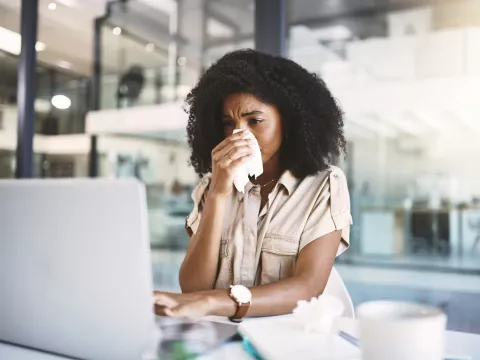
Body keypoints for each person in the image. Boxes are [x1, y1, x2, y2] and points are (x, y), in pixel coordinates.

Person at [154, 49, 352, 321]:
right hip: (223, 336)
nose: (239, 134)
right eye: (228, 123)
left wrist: (216, 302)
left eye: (254, 121)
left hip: (289, 341)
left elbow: (308, 287)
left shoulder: (324, 186)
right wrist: (218, 195)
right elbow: (192, 287)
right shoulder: (211, 186)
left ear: (289, 120)